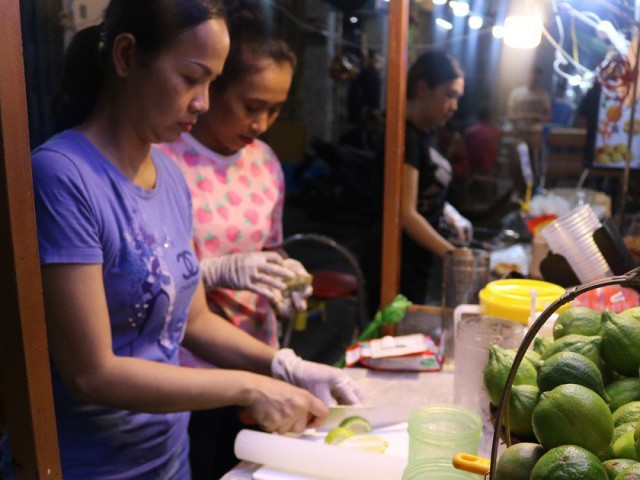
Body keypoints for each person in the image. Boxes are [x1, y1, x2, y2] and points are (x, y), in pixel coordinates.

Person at [23, 1, 363, 478]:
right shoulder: (61, 176)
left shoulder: (167, 172)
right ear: (125, 57)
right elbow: (91, 373)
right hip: (89, 466)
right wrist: (248, 387)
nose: (203, 102)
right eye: (191, 78)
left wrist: (286, 365)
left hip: (167, 458)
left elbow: (196, 319)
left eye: (211, 82)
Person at [160, 16, 307, 350]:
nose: (261, 124)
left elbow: (269, 246)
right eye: (252, 107)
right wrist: (214, 272)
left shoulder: (265, 160)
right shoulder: (163, 158)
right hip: (187, 355)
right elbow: (145, 276)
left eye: (275, 110)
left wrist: (285, 274)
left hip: (256, 346)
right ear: (212, 87)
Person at [400, 51, 473, 304]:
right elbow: (406, 214)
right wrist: (454, 255)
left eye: (458, 98)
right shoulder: (405, 138)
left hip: (423, 260)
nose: (454, 107)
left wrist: (451, 215)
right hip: (401, 264)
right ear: (422, 89)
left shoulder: (424, 133)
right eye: (449, 95)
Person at [507, 65, 552, 131]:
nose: (533, 79)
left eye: (536, 78)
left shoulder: (544, 95)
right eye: (532, 76)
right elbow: (510, 115)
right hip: (516, 126)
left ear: (539, 78)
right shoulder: (515, 93)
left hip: (535, 127)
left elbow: (548, 116)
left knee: (539, 130)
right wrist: (523, 117)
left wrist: (538, 118)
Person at [464, 105, 501, 174]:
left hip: (473, 168)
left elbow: (466, 150)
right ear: (490, 117)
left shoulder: (470, 131)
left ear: (478, 116)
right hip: (490, 169)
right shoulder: (497, 131)